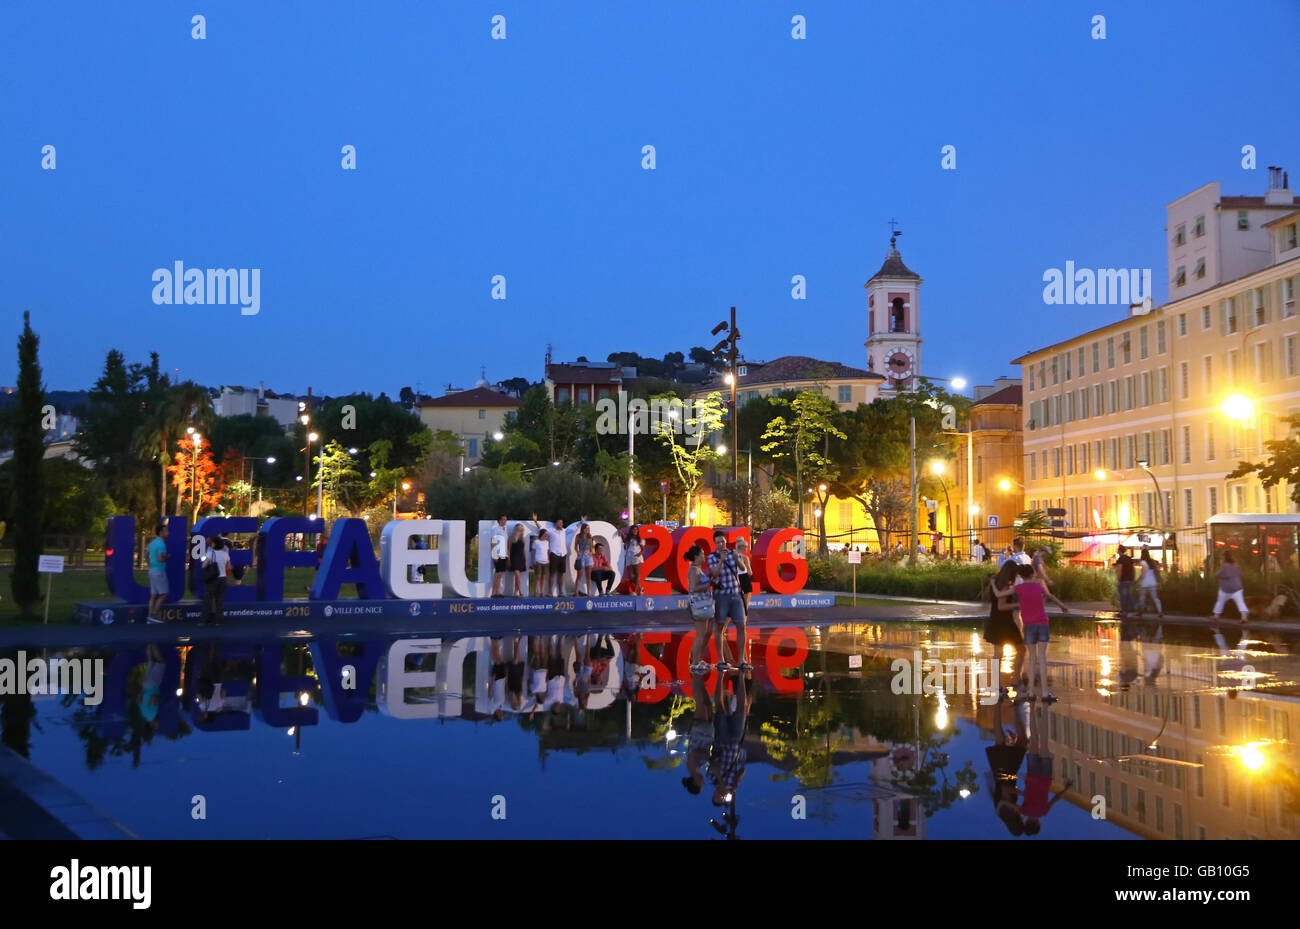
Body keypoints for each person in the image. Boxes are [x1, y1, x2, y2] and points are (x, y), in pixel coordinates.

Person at [1014, 563, 1068, 701]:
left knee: (1032, 658)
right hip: (1042, 623)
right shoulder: (1038, 586)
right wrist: (1062, 606)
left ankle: (1031, 692)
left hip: (1029, 625)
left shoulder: (1018, 588)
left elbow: (1002, 594)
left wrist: (995, 586)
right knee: (1042, 658)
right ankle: (1044, 693)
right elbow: (1050, 596)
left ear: (1020, 575)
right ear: (1032, 574)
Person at [708, 530, 748, 671]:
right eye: (718, 542)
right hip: (721, 596)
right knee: (719, 627)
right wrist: (721, 561)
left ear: (726, 541)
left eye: (723, 541)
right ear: (715, 543)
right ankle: (721, 660)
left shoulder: (733, 553)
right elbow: (714, 573)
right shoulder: (712, 557)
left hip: (736, 594)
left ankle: (742, 659)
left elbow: (743, 569)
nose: (721, 544)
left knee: (741, 625)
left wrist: (737, 559)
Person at [983, 560, 1026, 690]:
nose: (1017, 576)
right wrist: (1018, 605)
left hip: (994, 620)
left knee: (997, 653)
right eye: (1016, 574)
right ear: (1012, 573)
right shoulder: (1005, 586)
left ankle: (997, 684)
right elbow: (1002, 606)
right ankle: (1015, 678)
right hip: (1005, 622)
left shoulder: (995, 583)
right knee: (1021, 649)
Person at [681, 665, 713, 796]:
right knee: (707, 704)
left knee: (701, 704)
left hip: (699, 733)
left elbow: (694, 753)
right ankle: (700, 679)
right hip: (705, 734)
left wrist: (710, 758)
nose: (703, 782)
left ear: (695, 782)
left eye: (701, 784)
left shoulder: (692, 767)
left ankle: (696, 676)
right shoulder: (698, 768)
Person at [686, 546, 715, 673]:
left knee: (702, 634)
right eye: (702, 553)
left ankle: (698, 660)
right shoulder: (693, 570)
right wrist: (710, 584)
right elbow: (694, 587)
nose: (705, 556)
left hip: (703, 604)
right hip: (699, 605)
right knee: (700, 635)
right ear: (697, 556)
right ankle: (694, 663)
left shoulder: (698, 569)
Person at [1210, 552, 1249, 624]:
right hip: (1237, 588)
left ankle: (1216, 616)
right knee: (1240, 603)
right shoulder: (1236, 565)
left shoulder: (1225, 566)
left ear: (1224, 558)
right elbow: (1240, 574)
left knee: (1220, 602)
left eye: (1221, 558)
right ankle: (1244, 617)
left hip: (1226, 588)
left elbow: (1224, 574)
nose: (1220, 560)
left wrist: (1216, 575)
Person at [202, 535, 231, 625]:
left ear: (214, 544)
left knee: (208, 600)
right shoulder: (225, 554)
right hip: (223, 579)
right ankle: (218, 620)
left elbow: (204, 565)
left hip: (213, 579)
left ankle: (207, 619)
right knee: (220, 601)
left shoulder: (210, 553)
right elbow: (228, 567)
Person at [146, 522, 170, 624]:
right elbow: (160, 558)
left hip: (152, 570)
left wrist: (150, 564)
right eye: (166, 531)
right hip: (159, 571)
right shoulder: (161, 544)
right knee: (164, 593)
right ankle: (154, 614)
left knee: (153, 595)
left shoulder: (153, 542)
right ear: (161, 533)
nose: (167, 533)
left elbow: (146, 554)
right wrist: (167, 557)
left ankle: (150, 615)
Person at [1136, 548, 1164, 618]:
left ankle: (1140, 612)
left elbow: (1143, 574)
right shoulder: (1152, 562)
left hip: (1144, 583)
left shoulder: (1143, 562)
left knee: (1142, 598)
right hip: (1153, 582)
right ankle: (1160, 612)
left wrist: (1137, 581)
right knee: (1155, 598)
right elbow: (1156, 572)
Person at [546, 516, 569, 597]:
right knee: (552, 574)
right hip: (554, 554)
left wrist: (581, 522)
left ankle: (561, 592)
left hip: (563, 554)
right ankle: (550, 592)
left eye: (562, 523)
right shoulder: (551, 530)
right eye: (559, 522)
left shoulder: (564, 531)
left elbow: (574, 529)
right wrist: (535, 521)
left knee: (561, 574)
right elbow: (541, 528)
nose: (561, 524)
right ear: (556, 523)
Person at [488, 516, 509, 597]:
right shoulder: (495, 529)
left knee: (500, 574)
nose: (505, 521)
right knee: (498, 573)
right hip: (498, 554)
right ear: (499, 520)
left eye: (506, 520)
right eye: (503, 519)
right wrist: (494, 555)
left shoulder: (504, 530)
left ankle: (498, 592)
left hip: (504, 554)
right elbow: (493, 542)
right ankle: (493, 593)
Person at [1113, 544, 1136, 618]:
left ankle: (1124, 612)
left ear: (1119, 551)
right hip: (1130, 579)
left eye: (1117, 550)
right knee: (1129, 595)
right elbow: (1133, 569)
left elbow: (1120, 570)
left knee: (1123, 596)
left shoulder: (1120, 559)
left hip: (1124, 580)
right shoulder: (1129, 558)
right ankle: (1135, 609)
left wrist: (1118, 580)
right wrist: (1133, 578)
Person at [573, 521, 594, 596]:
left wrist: (591, 552)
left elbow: (591, 546)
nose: (588, 529)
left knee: (588, 575)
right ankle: (576, 592)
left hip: (588, 555)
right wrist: (577, 552)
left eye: (589, 528)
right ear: (583, 529)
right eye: (587, 528)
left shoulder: (590, 536)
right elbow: (575, 546)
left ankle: (589, 592)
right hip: (581, 555)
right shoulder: (578, 536)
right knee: (579, 575)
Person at [734, 536, 754, 615]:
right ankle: (743, 625)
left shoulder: (731, 555)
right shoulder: (745, 558)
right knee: (745, 607)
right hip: (744, 578)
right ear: (740, 547)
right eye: (745, 546)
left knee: (734, 606)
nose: (747, 548)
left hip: (734, 579)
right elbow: (750, 572)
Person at [507, 522, 527, 597]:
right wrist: (508, 560)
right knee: (517, 575)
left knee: (518, 577)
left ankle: (516, 592)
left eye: (522, 530)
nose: (521, 531)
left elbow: (524, 550)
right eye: (519, 530)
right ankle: (520, 591)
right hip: (514, 558)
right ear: (516, 530)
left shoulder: (523, 539)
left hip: (521, 559)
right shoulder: (511, 538)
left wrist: (525, 560)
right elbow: (508, 550)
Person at [530, 528, 550, 597]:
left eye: (547, 534)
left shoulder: (547, 542)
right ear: (542, 534)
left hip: (545, 561)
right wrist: (533, 560)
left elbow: (547, 552)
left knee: (543, 577)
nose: (546, 535)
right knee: (538, 576)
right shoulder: (536, 542)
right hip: (538, 561)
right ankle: (536, 592)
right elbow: (533, 552)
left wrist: (548, 559)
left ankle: (542, 592)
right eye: (545, 534)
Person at [624, 526, 644, 595]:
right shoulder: (628, 538)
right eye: (634, 529)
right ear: (631, 530)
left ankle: (635, 591)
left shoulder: (639, 539)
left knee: (637, 574)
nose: (635, 531)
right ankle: (641, 588)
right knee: (631, 576)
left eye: (636, 529)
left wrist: (639, 554)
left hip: (636, 556)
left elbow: (643, 549)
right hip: (629, 557)